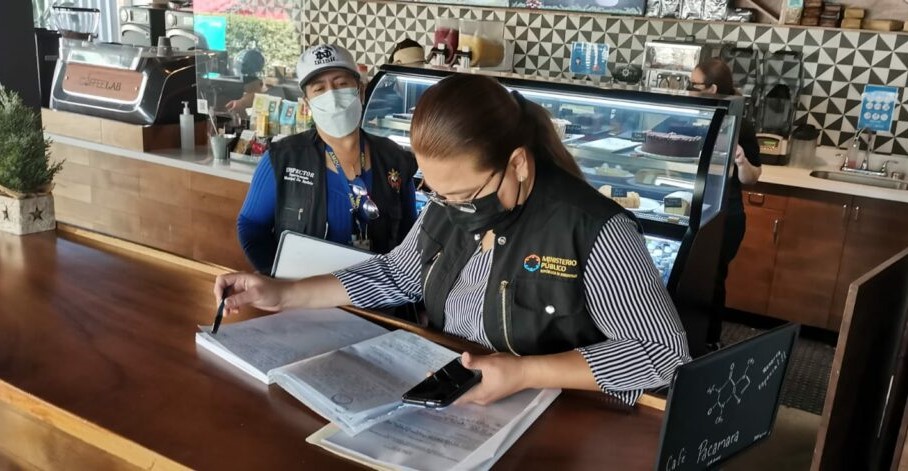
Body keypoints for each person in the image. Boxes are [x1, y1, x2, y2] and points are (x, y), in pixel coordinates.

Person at [216, 74, 690, 406]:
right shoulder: (446, 205)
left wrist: (525, 371)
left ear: (518, 164)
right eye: (437, 193)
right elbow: (396, 274)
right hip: (459, 391)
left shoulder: (592, 229)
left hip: (558, 411)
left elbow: (664, 355)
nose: (450, 207)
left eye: (464, 195)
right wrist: (283, 293)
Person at [236, 44, 418, 274]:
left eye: (341, 84)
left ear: (361, 91)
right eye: (319, 89)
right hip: (303, 291)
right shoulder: (282, 159)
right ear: (307, 103)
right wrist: (276, 277)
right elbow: (251, 225)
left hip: (376, 294)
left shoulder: (395, 159)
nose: (331, 95)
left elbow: (410, 235)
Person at [688, 58, 762, 350]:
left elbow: (752, 177)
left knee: (712, 279)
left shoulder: (740, 124)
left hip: (725, 217)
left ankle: (710, 342)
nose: (689, 90)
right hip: (693, 208)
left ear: (713, 89)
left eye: (694, 85)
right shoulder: (692, 113)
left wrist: (742, 162)